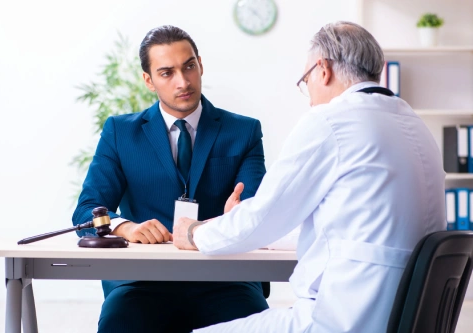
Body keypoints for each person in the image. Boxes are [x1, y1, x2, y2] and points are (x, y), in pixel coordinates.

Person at [173, 21, 446, 333]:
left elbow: (263, 215)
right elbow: (329, 225)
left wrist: (195, 232)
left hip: (338, 319)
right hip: (396, 317)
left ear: (323, 69)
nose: (309, 96)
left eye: (305, 81)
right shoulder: (413, 125)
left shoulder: (331, 121)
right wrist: (234, 224)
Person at [72, 25, 270, 333]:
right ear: (148, 81)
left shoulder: (243, 132)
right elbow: (87, 210)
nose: (183, 81)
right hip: (141, 282)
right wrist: (127, 227)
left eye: (189, 66)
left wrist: (239, 216)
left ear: (200, 65)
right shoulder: (119, 132)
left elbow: (257, 209)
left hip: (225, 278)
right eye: (167, 73)